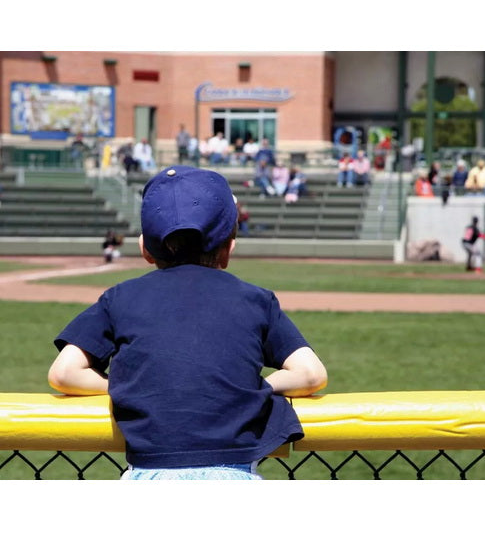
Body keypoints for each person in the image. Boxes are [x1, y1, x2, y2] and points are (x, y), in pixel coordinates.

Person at [49, 166, 328, 480]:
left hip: (148, 478)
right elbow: (311, 374)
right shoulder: (256, 300)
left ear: (144, 250)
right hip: (234, 479)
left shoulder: (120, 298)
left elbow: (64, 373)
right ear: (228, 249)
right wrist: (245, 389)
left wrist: (138, 387)